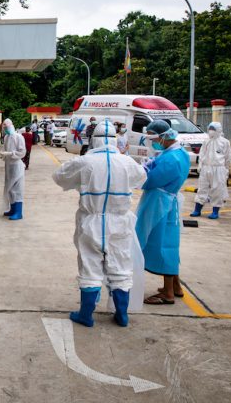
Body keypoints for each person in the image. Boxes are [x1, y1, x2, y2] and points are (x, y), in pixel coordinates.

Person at [52, 119, 147, 327]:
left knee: (89, 265)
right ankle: (122, 315)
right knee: (121, 266)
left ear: (93, 140)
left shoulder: (85, 162)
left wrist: (80, 180)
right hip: (119, 221)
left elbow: (59, 177)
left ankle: (86, 315)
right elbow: (141, 178)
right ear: (115, 140)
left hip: (91, 220)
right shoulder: (126, 162)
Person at [135, 120, 190, 305]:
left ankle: (168, 293)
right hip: (168, 202)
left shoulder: (169, 159)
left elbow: (150, 180)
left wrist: (140, 172)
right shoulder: (180, 153)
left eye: (153, 138)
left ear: (164, 136)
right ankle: (175, 286)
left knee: (161, 244)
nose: (152, 143)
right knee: (170, 243)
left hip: (160, 204)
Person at [191, 121, 231, 218]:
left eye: (213, 129)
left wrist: (226, 169)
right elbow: (202, 154)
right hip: (206, 168)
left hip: (218, 169)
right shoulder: (206, 141)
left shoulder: (225, 142)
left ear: (218, 130)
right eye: (210, 129)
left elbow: (228, 157)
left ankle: (215, 212)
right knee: (202, 188)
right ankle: (197, 210)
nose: (211, 131)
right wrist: (200, 165)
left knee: (217, 189)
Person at [0, 118, 27, 220]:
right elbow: (5, 150)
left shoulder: (18, 137)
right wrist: (3, 155)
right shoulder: (6, 137)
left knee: (17, 189)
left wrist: (11, 154)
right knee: (9, 188)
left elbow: (22, 152)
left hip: (16, 166)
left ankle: (18, 212)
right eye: (3, 126)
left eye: (6, 126)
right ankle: (12, 209)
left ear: (11, 125)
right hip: (8, 166)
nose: (5, 128)